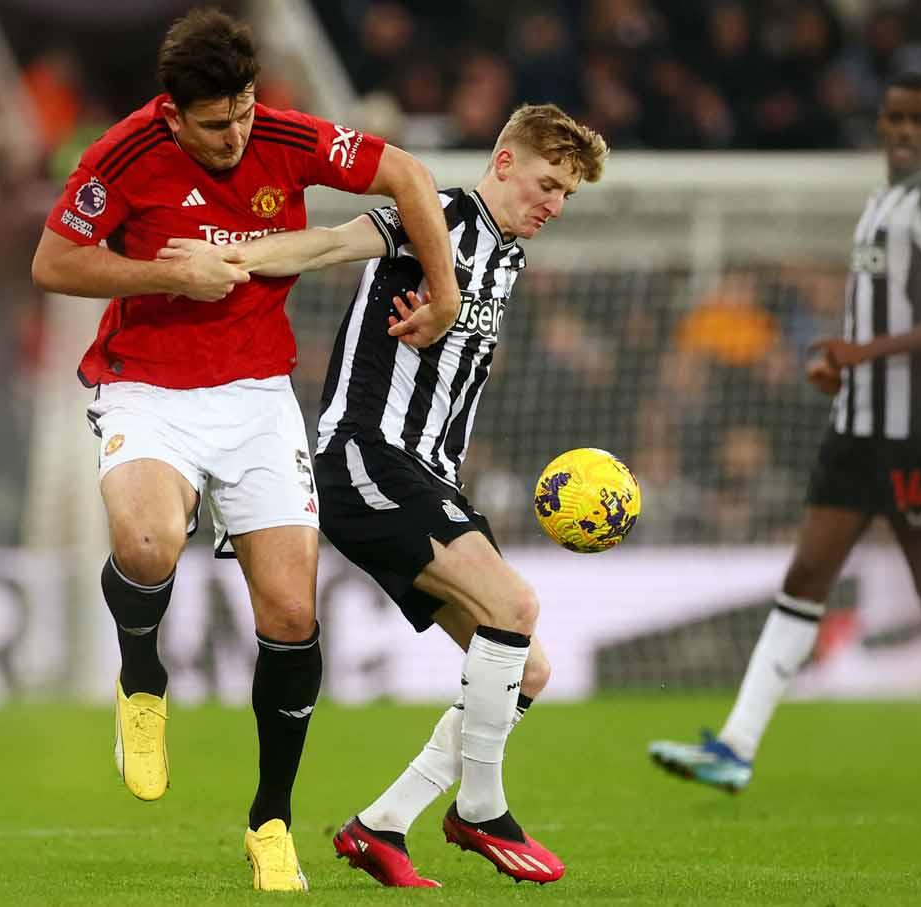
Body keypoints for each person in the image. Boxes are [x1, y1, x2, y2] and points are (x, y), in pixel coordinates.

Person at [28, 8, 460, 892]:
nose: (236, 135)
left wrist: (445, 293)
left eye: (245, 113)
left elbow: (410, 177)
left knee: (292, 615)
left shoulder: (287, 135)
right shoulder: (123, 156)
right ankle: (142, 680)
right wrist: (166, 273)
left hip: (258, 395)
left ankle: (270, 820)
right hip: (148, 387)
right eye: (216, 122)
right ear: (173, 113)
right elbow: (52, 262)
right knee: (147, 542)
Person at [165, 103, 608, 887]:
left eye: (567, 195)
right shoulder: (436, 214)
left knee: (524, 670)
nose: (555, 205)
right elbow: (333, 242)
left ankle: (382, 824)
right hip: (368, 457)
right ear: (503, 162)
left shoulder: (507, 259)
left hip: (429, 472)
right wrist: (231, 258)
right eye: (547, 183)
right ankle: (480, 808)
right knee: (515, 607)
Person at [647, 72, 921, 793]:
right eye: (895, 118)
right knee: (804, 578)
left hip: (913, 428)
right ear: (882, 125)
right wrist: (842, 361)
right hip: (857, 424)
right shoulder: (879, 203)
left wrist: (867, 355)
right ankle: (734, 746)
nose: (906, 131)